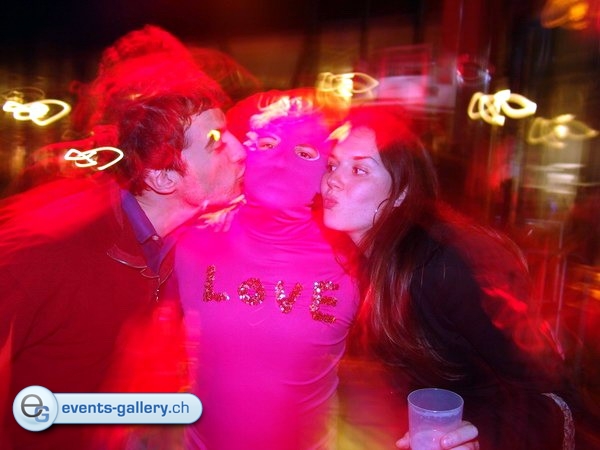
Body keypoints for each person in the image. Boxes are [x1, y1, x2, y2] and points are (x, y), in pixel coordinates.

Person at [0, 52, 245, 450]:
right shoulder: (49, 249)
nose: (239, 150)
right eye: (215, 142)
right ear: (162, 177)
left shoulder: (178, 245)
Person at [320, 105, 574, 450]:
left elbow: (550, 392)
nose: (333, 179)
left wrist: (480, 436)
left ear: (402, 192)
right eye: (332, 165)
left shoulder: (447, 265)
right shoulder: (352, 262)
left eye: (359, 169)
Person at [174, 88, 359, 449]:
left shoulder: (353, 258)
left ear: (326, 170)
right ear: (248, 153)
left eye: (304, 153)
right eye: (269, 144)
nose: (281, 162)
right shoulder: (193, 240)